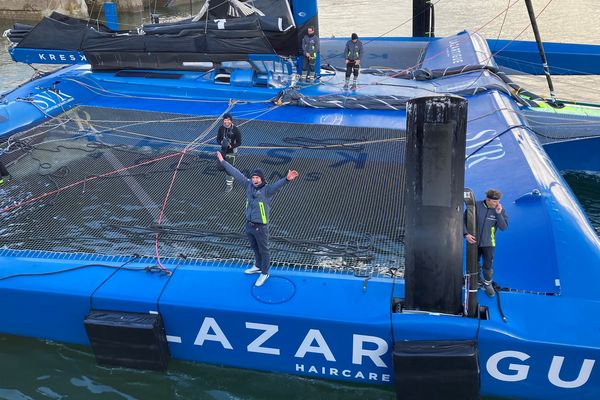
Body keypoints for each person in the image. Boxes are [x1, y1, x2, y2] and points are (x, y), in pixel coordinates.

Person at [216, 151, 299, 287]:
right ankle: (257, 266)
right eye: (253, 177)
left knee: (263, 250)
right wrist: (223, 162)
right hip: (249, 224)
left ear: (261, 179)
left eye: (257, 178)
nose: (254, 180)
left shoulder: (267, 190)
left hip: (261, 226)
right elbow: (236, 173)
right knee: (254, 246)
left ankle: (265, 272)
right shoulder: (248, 185)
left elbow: (278, 185)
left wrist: (287, 179)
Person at [464, 189, 509, 297]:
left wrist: (498, 214)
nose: (497, 203)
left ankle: (488, 284)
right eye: (495, 201)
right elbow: (463, 220)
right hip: (474, 242)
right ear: (488, 200)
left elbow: (504, 227)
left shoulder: (499, 209)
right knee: (474, 264)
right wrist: (466, 234)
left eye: (498, 201)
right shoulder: (475, 206)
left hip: (489, 243)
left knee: (487, 266)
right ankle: (478, 282)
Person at [216, 113, 242, 192]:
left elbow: (239, 142)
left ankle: (229, 185)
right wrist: (221, 142)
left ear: (231, 120)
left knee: (228, 169)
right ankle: (233, 172)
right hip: (223, 150)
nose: (226, 121)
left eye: (228, 120)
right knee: (220, 167)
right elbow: (218, 138)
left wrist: (231, 146)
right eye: (225, 120)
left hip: (231, 152)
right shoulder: (221, 128)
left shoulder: (235, 130)